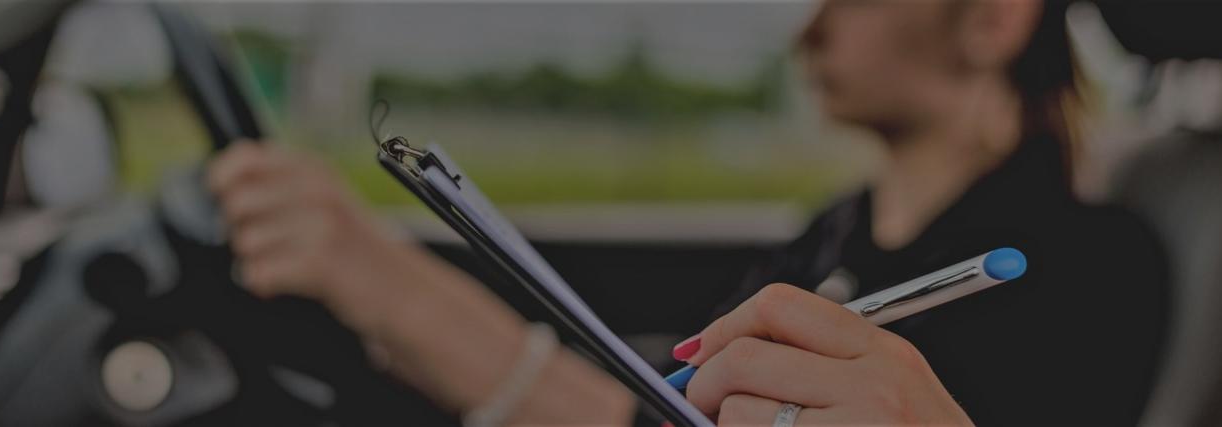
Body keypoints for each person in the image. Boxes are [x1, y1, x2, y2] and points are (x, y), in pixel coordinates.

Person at [208, 0, 1167, 425]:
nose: (810, 29)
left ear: (994, 17)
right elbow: (677, 384)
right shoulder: (835, 226)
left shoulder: (1086, 267)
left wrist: (392, 291)